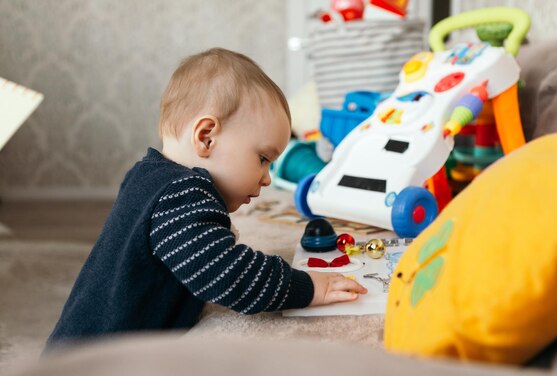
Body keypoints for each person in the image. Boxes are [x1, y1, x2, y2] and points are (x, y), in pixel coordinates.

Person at [46, 48, 367, 349]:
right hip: (98, 370)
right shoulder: (182, 192)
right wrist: (309, 287)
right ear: (206, 137)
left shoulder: (148, 175)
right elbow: (228, 275)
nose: (267, 178)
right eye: (262, 158)